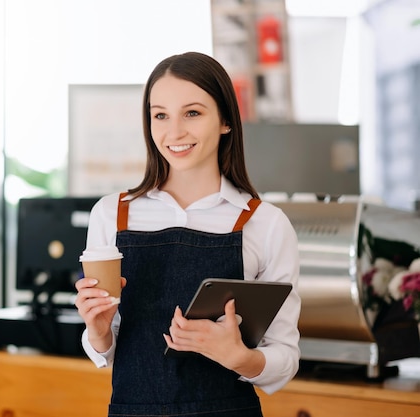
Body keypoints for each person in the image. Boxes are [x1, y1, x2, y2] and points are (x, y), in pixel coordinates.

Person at [74, 51, 300, 417]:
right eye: (160, 115)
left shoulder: (265, 223)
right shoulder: (111, 214)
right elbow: (105, 348)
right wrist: (98, 331)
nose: (174, 132)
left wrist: (239, 357)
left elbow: (285, 357)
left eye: (192, 113)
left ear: (226, 120)